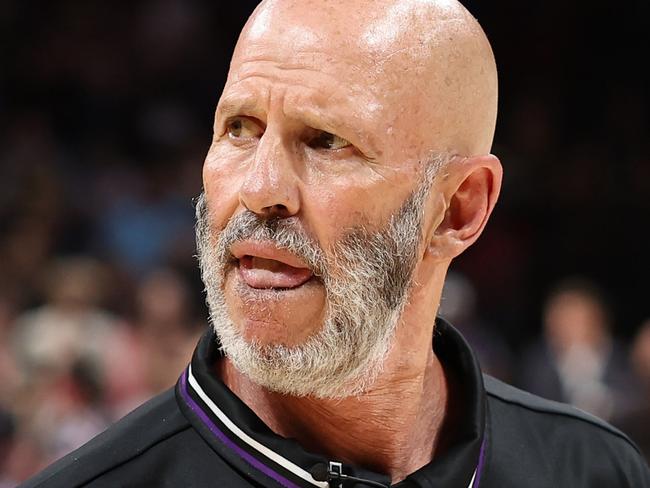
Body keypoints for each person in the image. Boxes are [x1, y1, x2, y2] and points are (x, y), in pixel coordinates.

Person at [20, 0, 650, 487]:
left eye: (326, 141)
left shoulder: (594, 470)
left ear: (459, 207)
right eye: (239, 129)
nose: (261, 188)